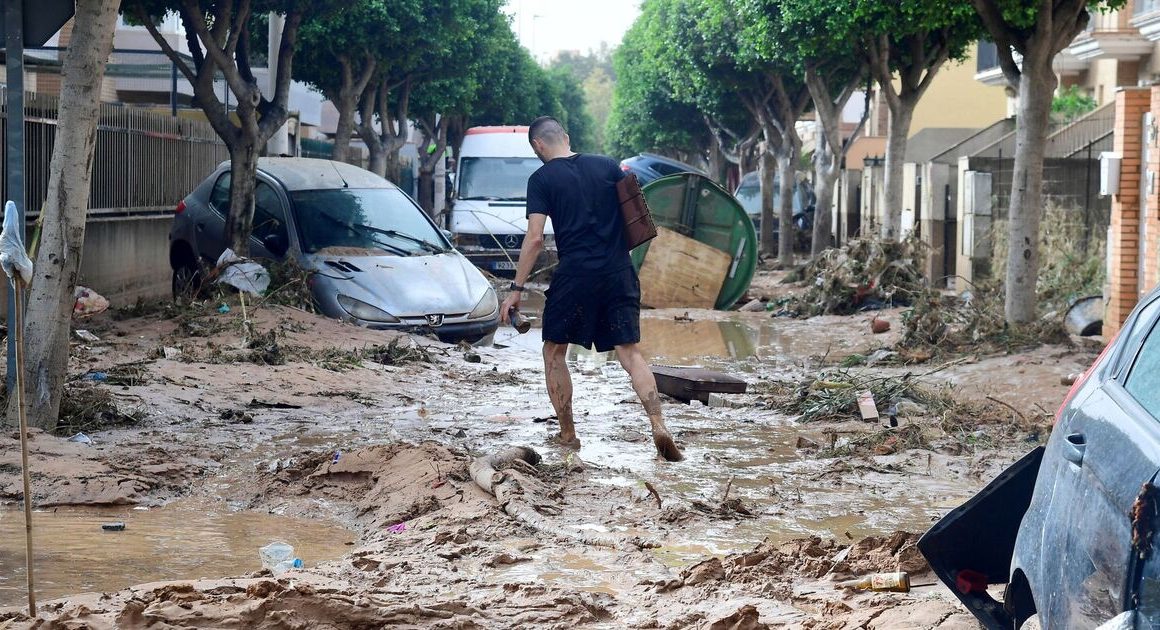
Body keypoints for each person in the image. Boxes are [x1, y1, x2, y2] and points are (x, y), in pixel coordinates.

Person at [499, 116, 684, 462]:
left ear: (538, 146)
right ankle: (659, 424)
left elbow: (535, 238)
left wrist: (516, 289)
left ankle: (568, 435)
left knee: (554, 351)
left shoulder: (541, 179)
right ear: (566, 138)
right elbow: (636, 217)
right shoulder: (608, 165)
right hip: (619, 270)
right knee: (630, 353)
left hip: (575, 275)